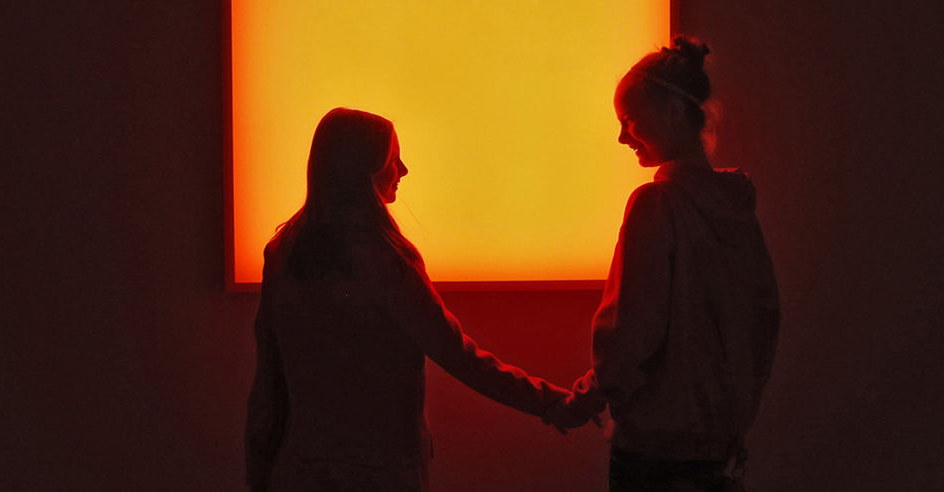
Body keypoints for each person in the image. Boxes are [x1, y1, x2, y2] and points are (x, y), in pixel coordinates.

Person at [245, 107, 570, 492]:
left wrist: (258, 465)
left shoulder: (282, 253)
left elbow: (269, 375)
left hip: (298, 468)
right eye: (393, 158)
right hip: (380, 471)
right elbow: (457, 355)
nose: (404, 169)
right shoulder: (386, 259)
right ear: (362, 169)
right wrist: (550, 402)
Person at [543, 37, 780, 491]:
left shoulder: (656, 204)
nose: (621, 136)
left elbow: (633, 331)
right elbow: (762, 321)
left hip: (654, 451)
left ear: (672, 110)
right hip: (718, 447)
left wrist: (587, 399)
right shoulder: (737, 208)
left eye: (629, 120)